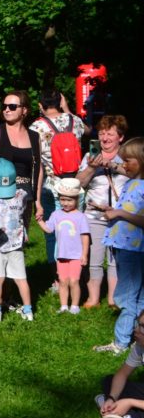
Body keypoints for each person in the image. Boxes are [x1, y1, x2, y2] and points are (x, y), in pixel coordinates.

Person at [94, 138, 144, 355]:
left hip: (135, 249)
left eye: (128, 160)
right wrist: (110, 210)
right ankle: (137, 338)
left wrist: (120, 213)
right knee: (137, 295)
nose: (123, 165)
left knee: (127, 296)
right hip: (124, 246)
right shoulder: (132, 183)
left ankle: (121, 342)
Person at [30, 90, 89, 267]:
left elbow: (36, 161)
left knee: (53, 232)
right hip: (76, 185)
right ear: (60, 102)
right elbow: (88, 131)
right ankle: (78, 268)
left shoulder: (36, 127)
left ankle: (57, 273)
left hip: (51, 184)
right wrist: (67, 109)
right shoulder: (75, 121)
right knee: (76, 229)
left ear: (40, 105)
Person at [77, 115, 129, 308]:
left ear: (120, 137)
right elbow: (79, 183)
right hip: (94, 214)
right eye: (101, 133)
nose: (105, 138)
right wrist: (91, 168)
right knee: (94, 257)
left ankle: (113, 298)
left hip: (120, 215)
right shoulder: (89, 156)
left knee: (115, 259)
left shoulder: (128, 156)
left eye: (110, 134)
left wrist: (112, 165)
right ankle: (93, 298)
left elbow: (136, 174)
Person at [0, 159, 33, 321]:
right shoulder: (20, 195)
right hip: (16, 245)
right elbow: (23, 211)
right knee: (21, 279)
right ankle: (28, 311)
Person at [0, 90, 43, 230]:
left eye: (12, 106)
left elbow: (38, 169)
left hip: (26, 198)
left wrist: (37, 201)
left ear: (24, 110)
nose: (7, 109)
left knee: (21, 239)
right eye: (4, 106)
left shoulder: (34, 137)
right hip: (1, 195)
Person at [36, 178, 90, 314]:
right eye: (63, 199)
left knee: (74, 281)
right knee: (62, 280)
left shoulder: (81, 217)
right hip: (61, 255)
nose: (65, 203)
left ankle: (75, 306)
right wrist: (40, 221)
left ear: (77, 199)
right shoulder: (56, 214)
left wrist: (84, 254)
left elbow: (85, 236)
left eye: (69, 200)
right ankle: (64, 306)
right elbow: (49, 229)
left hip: (76, 256)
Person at [96, 309, 144, 418]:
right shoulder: (140, 347)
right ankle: (114, 407)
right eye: (137, 324)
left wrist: (130, 402)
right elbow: (123, 373)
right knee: (110, 380)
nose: (136, 330)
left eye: (143, 327)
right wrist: (112, 398)